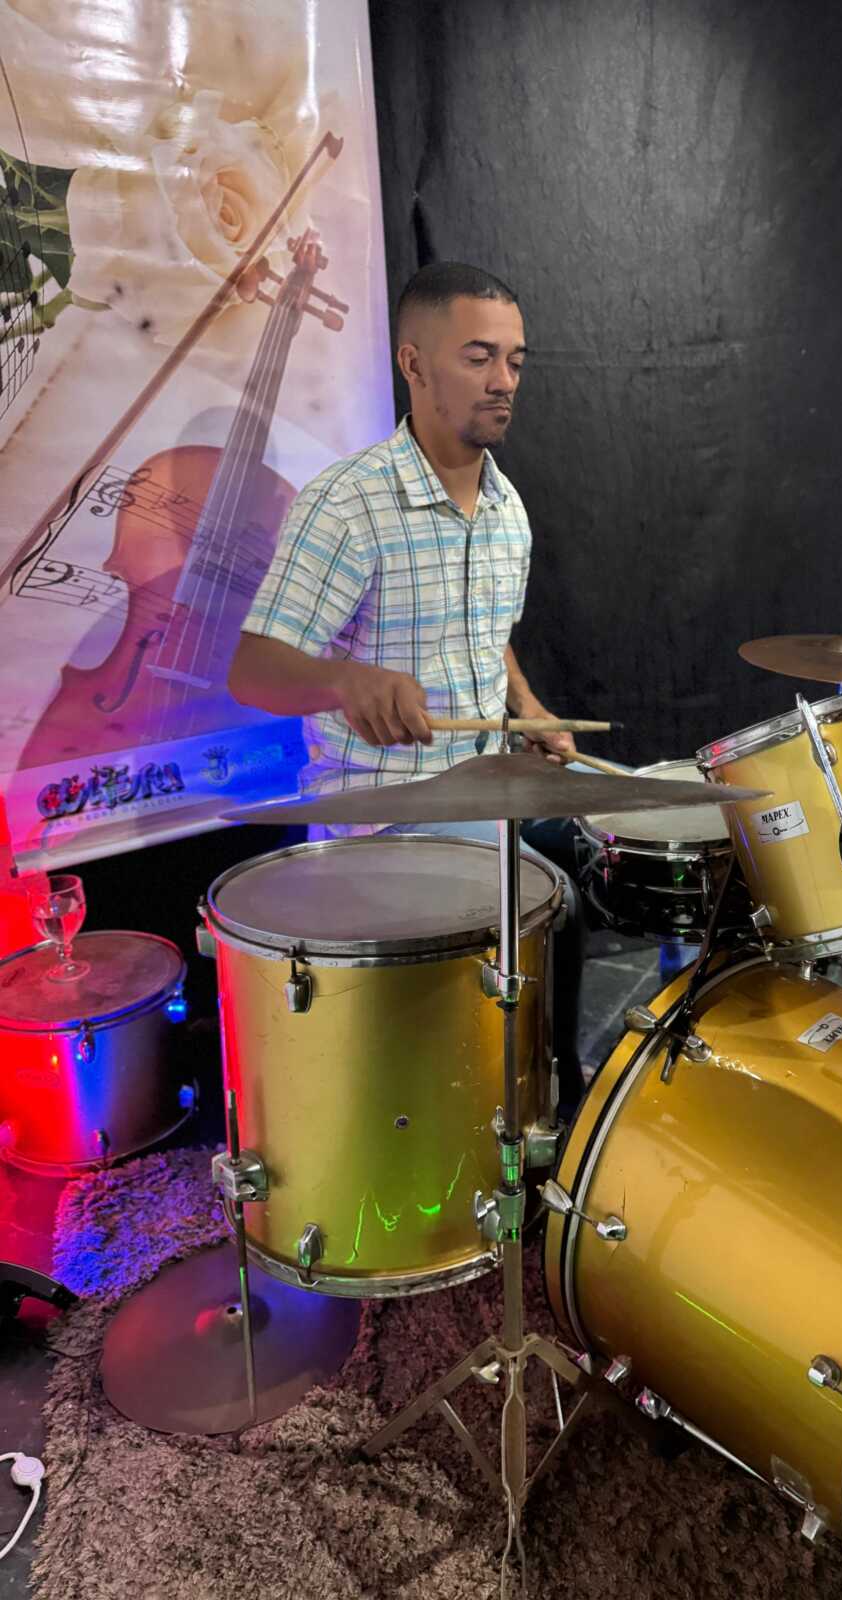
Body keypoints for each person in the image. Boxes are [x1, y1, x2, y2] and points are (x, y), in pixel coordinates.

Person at [229, 260, 587, 1107]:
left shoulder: (507, 511)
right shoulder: (348, 506)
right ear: (414, 364)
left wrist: (527, 709)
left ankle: (557, 1086)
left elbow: (487, 636)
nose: (504, 382)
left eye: (515, 360)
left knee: (601, 845)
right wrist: (346, 681)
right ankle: (539, 1109)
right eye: (479, 357)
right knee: (555, 901)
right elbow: (254, 671)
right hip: (383, 812)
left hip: (483, 786)